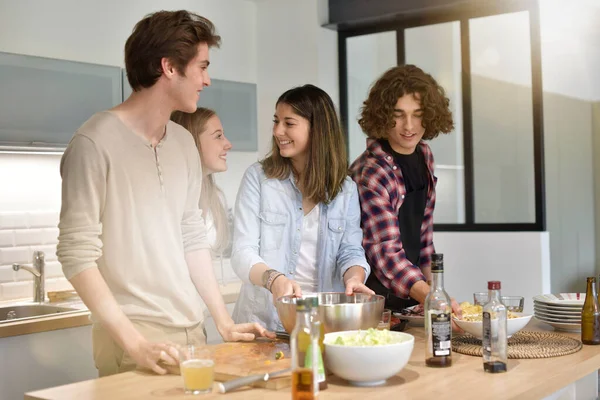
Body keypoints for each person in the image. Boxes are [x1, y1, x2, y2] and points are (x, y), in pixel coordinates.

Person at [57, 11, 273, 378]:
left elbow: (191, 235)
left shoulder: (183, 142)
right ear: (169, 67)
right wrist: (135, 343)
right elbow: (76, 254)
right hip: (136, 342)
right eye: (201, 66)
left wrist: (221, 320)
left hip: (193, 330)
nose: (206, 79)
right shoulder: (93, 143)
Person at [231, 84, 374, 331]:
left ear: (317, 129)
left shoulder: (345, 189)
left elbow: (350, 250)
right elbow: (242, 252)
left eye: (289, 123)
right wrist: (274, 279)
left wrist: (354, 278)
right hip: (263, 325)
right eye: (276, 121)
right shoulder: (259, 178)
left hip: (323, 324)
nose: (277, 131)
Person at [349, 64, 462, 317]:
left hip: (411, 298)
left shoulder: (424, 155)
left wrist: (434, 289)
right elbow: (383, 251)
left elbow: (423, 238)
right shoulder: (371, 172)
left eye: (418, 113)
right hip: (373, 304)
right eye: (398, 115)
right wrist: (431, 297)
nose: (409, 125)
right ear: (382, 115)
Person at [171, 107, 232, 257]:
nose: (228, 144)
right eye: (218, 136)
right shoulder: (171, 201)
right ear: (191, 140)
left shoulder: (215, 198)